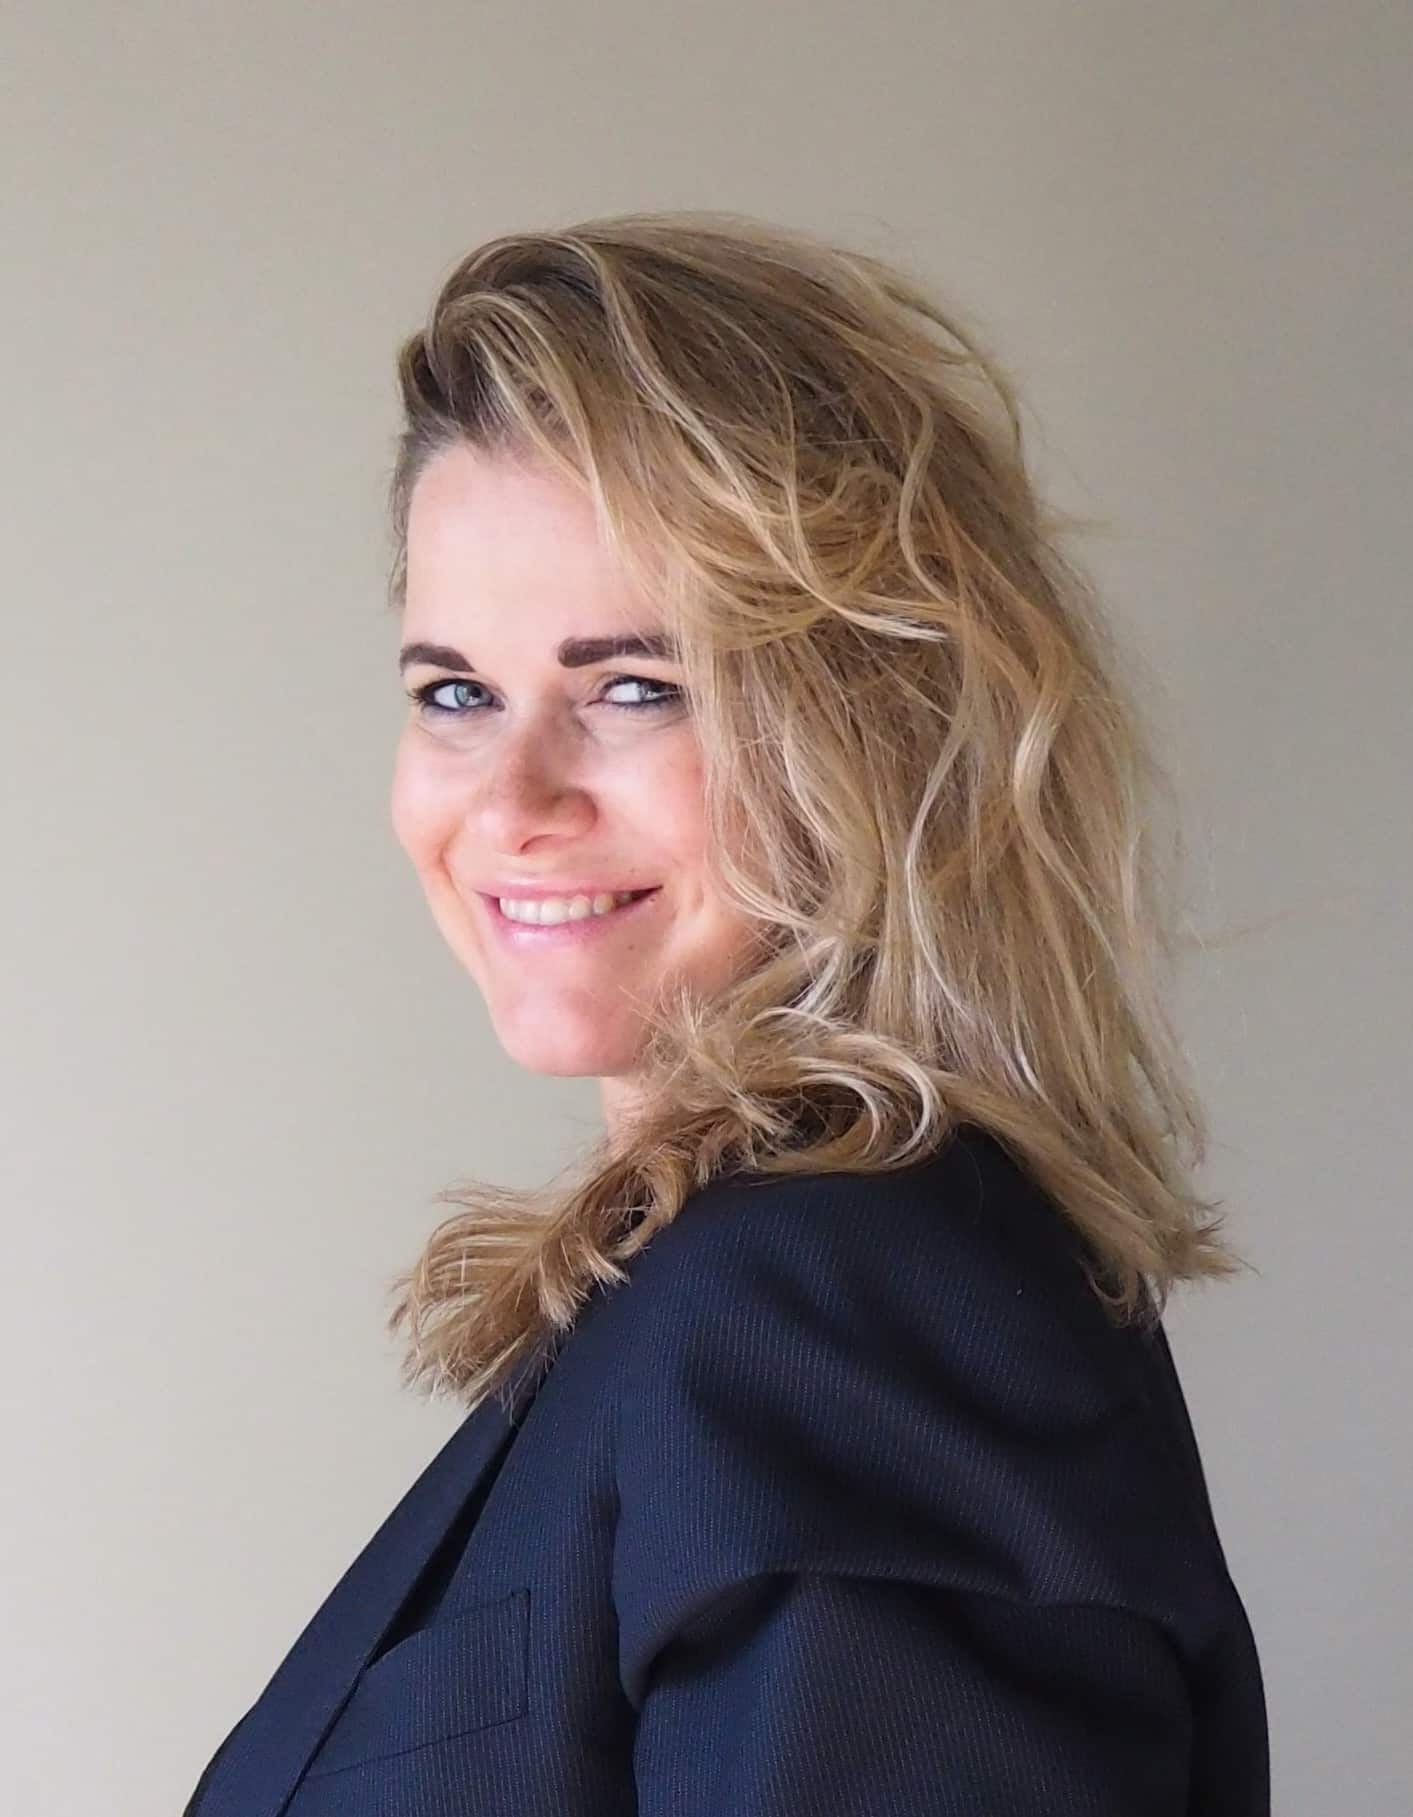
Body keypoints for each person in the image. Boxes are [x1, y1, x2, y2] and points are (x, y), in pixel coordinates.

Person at [183, 209, 1269, 1816]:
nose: (513, 801)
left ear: (871, 723)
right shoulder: (716, 1295)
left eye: (634, 685)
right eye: (456, 692)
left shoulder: (838, 1309)